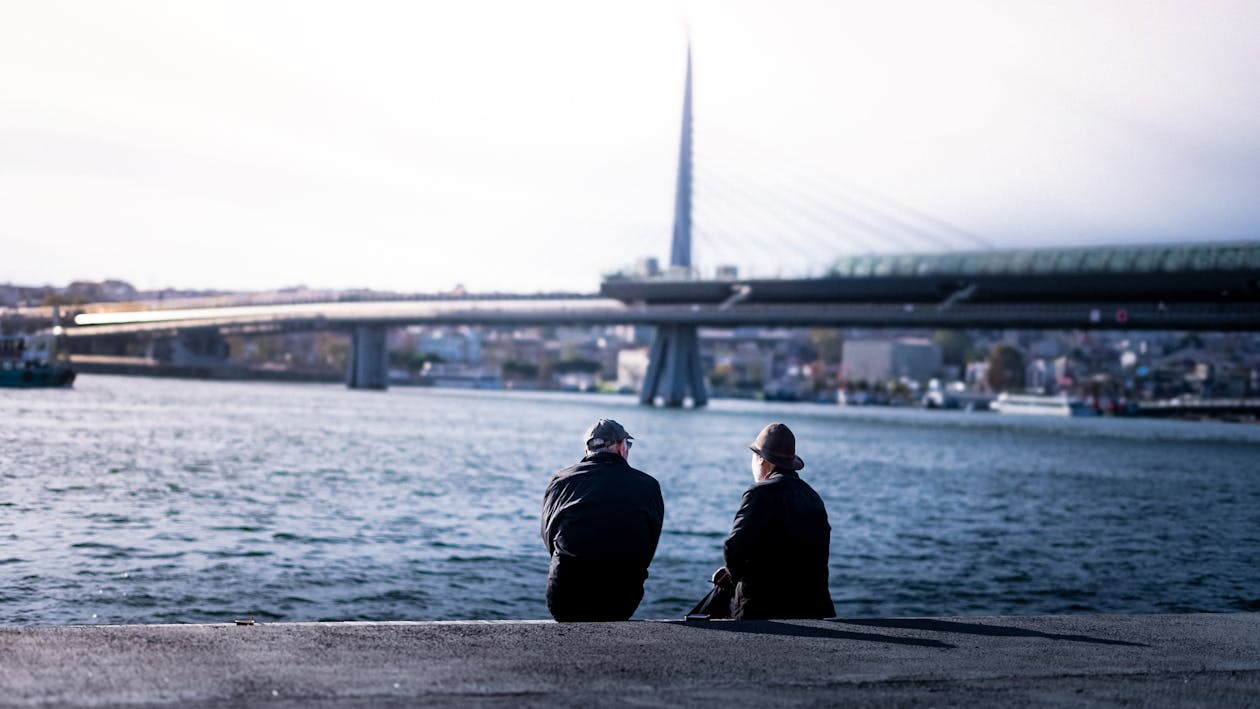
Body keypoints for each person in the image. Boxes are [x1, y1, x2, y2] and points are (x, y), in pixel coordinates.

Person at [541, 419, 664, 621]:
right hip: (621, 599)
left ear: (587, 449)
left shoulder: (562, 480)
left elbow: (549, 533)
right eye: (628, 445)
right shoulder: (648, 485)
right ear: (620, 447)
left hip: (564, 595)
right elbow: (649, 545)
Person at [711, 422, 835, 620]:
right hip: (812, 607)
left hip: (762, 608)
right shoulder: (812, 496)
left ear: (762, 460)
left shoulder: (759, 493)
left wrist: (731, 575)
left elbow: (733, 549)